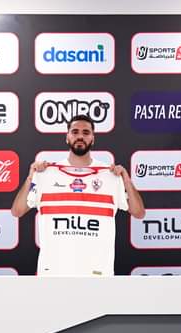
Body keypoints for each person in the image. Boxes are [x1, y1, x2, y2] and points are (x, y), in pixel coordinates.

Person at [11, 114, 145, 276]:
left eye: (86, 132)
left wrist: (126, 180)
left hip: (97, 274)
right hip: (54, 273)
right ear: (67, 137)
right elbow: (17, 211)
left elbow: (139, 212)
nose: (80, 136)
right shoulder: (45, 174)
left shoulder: (110, 176)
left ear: (93, 139)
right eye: (75, 132)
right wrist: (31, 177)